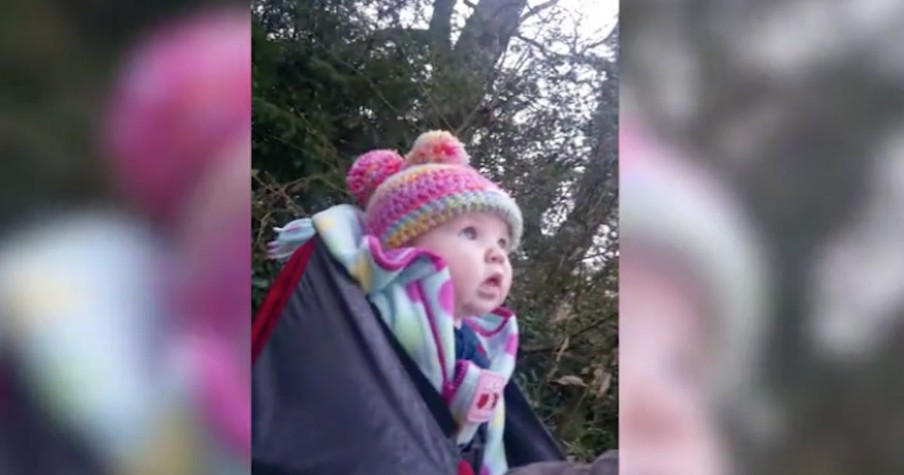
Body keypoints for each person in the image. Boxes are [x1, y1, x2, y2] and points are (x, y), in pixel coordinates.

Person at [267, 130, 527, 475]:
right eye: (469, 232)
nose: (497, 254)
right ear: (403, 247)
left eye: (503, 242)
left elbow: (488, 438)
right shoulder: (377, 306)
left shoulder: (486, 348)